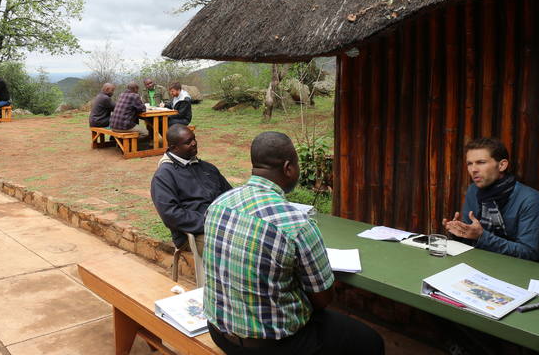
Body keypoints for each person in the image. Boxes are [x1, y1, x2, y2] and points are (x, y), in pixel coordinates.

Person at [203, 131, 384, 355]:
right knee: (371, 341)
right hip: (272, 347)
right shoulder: (296, 224)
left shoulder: (219, 204)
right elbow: (323, 299)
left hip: (220, 333)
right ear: (288, 168)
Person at [442, 137, 539, 260]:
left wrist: (481, 236)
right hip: (477, 261)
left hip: (515, 268)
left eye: (481, 162)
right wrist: (458, 232)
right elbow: (470, 238)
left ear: (502, 165)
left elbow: (529, 253)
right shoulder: (473, 191)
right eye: (469, 164)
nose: (473, 169)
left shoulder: (531, 200)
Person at [150, 124, 231, 252]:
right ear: (174, 148)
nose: (194, 143)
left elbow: (230, 195)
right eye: (188, 142)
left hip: (222, 224)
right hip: (193, 234)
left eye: (194, 139)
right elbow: (171, 215)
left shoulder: (207, 168)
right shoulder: (164, 176)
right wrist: (211, 222)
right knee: (234, 246)